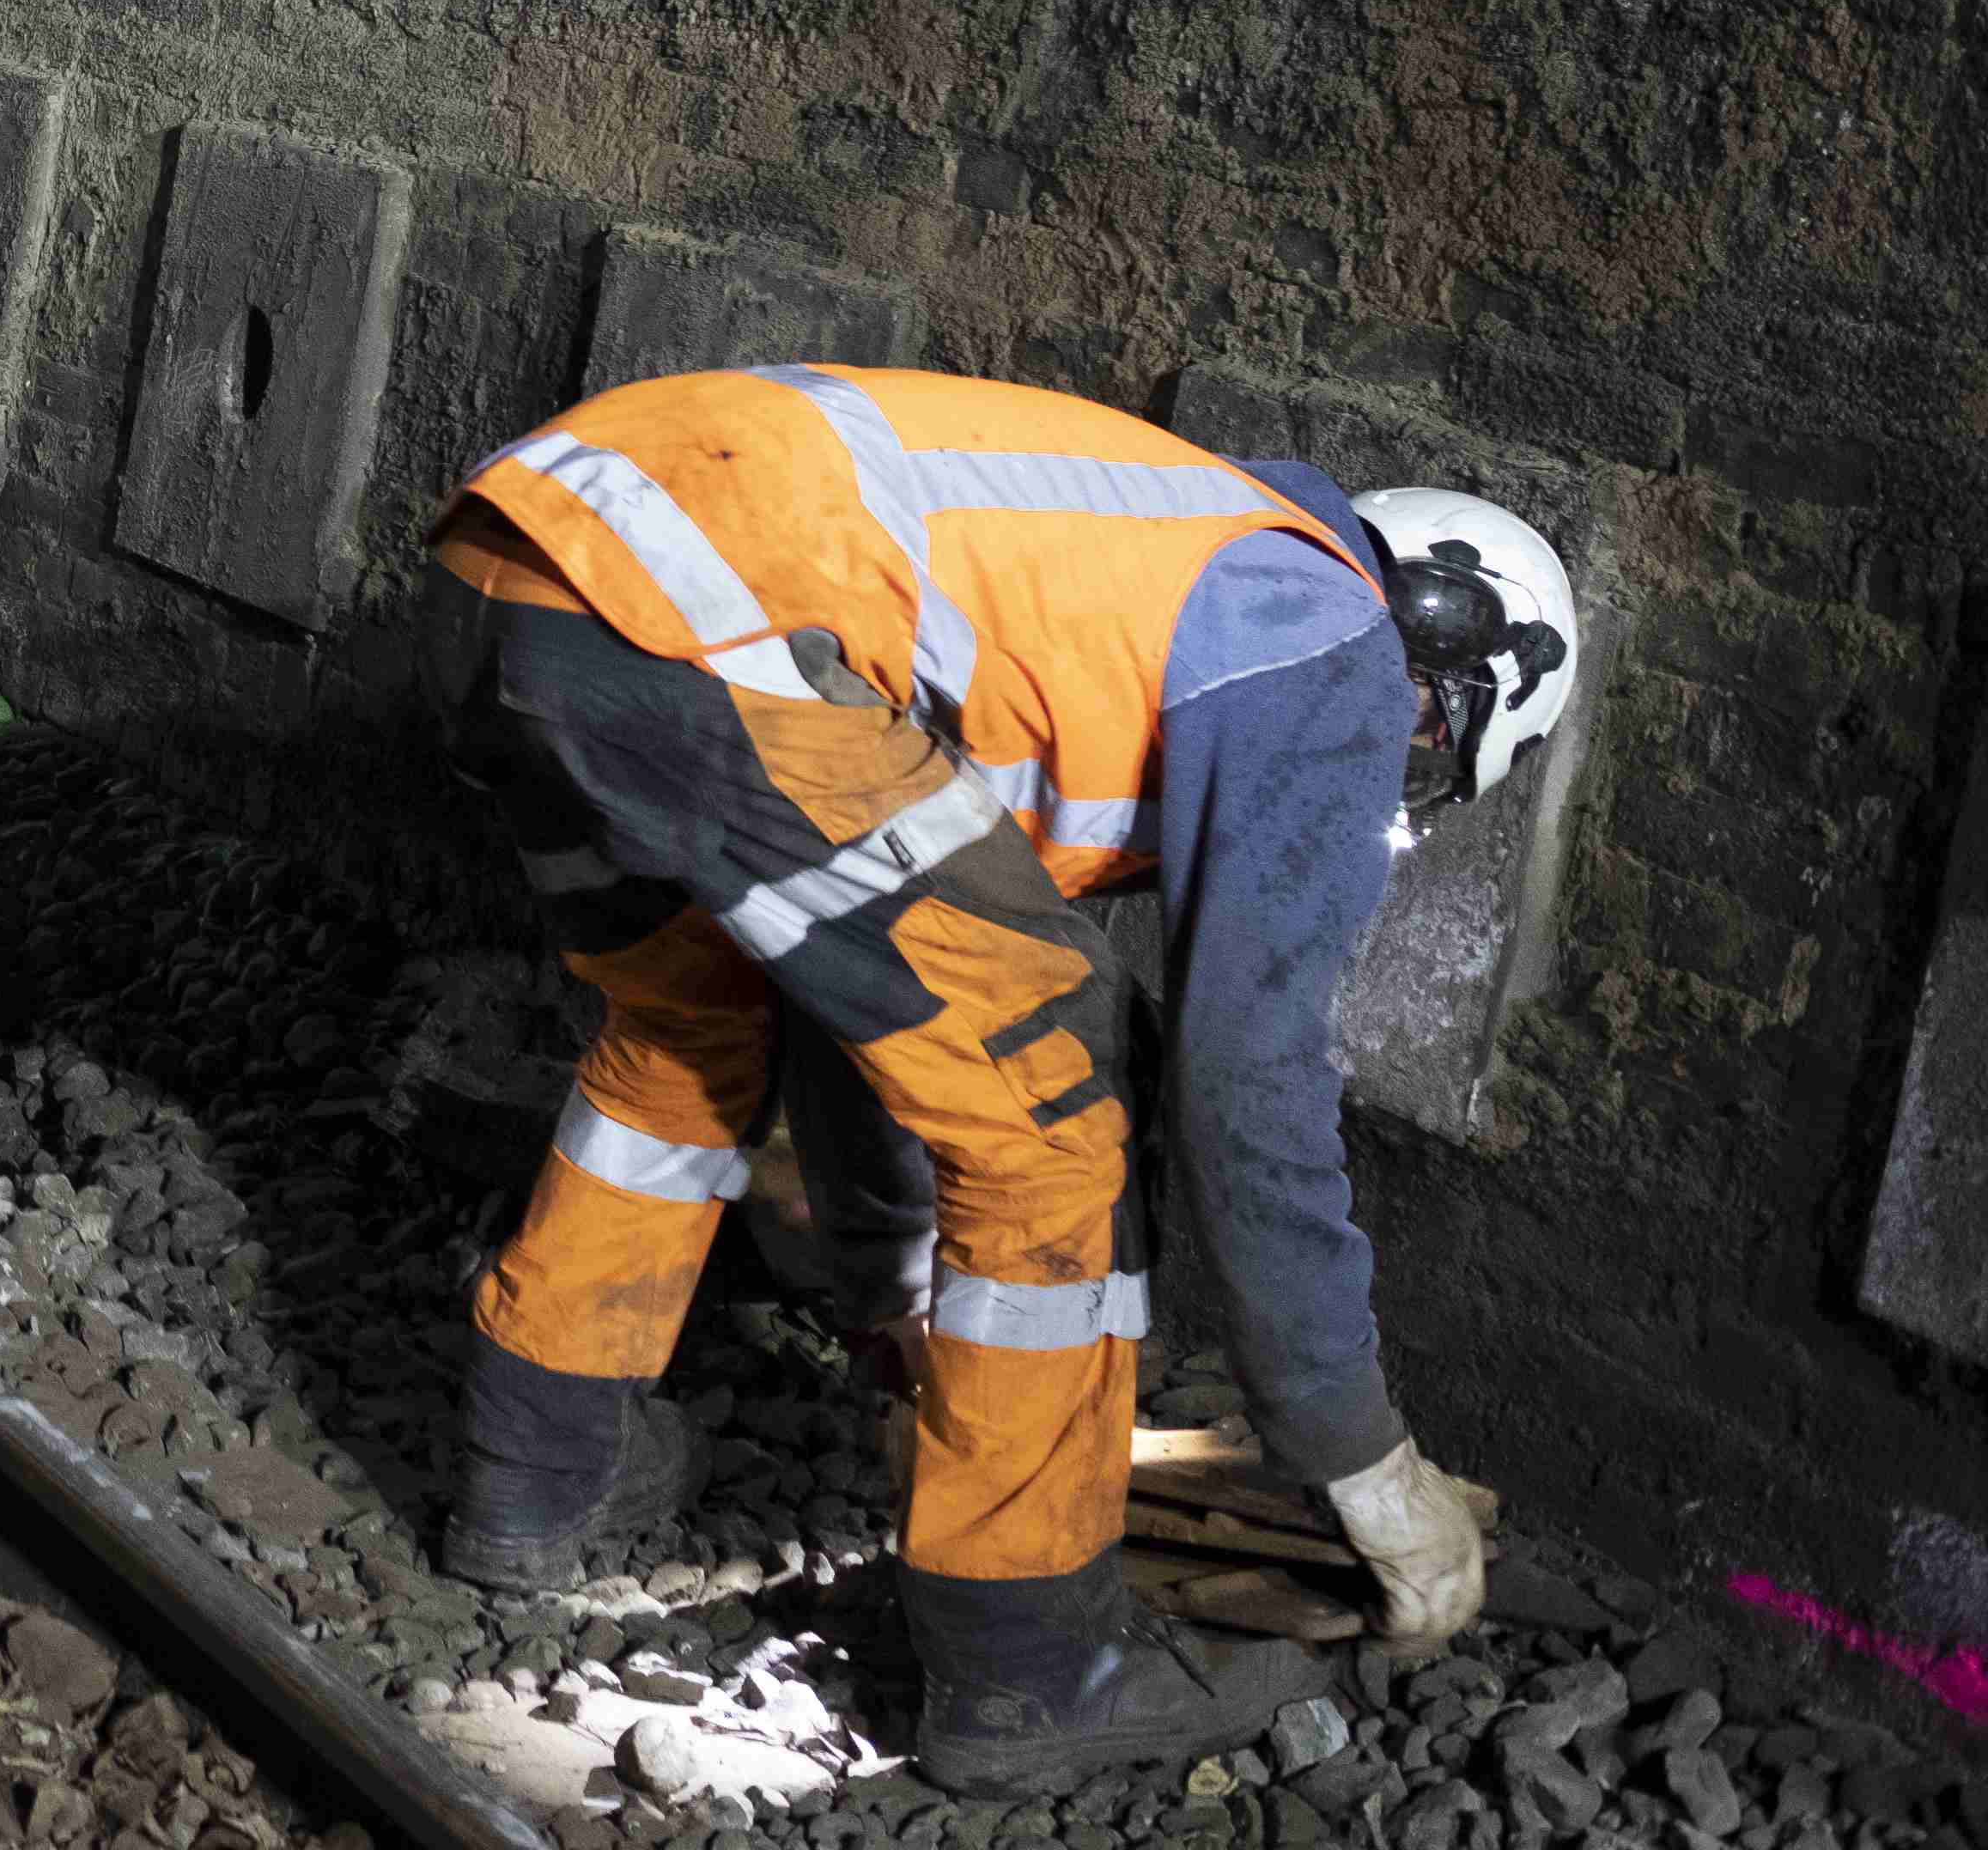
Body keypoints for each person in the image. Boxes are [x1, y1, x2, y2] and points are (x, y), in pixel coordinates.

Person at [425, 364, 1570, 1794]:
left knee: (686, 1037)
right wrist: (1357, 1451)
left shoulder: (1140, 590)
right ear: (1445, 695)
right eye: (1414, 763)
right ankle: (1032, 1671)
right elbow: (1251, 1083)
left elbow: (873, 1006)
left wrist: (898, 1310)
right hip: (703, 615)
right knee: (1051, 1114)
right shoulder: (1328, 643)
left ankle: (537, 1468)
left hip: (519, 566)